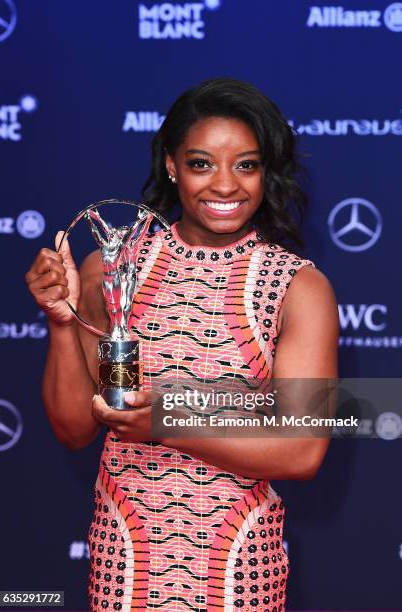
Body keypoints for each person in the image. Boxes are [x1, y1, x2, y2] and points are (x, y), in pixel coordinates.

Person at [25, 77, 339, 612]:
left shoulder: (297, 287)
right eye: (201, 163)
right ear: (171, 165)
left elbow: (303, 449)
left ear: (267, 171)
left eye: (246, 164)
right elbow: (75, 427)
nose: (225, 185)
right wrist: (61, 322)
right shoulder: (112, 270)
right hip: (126, 564)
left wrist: (165, 423)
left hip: (238, 568)